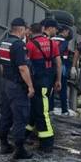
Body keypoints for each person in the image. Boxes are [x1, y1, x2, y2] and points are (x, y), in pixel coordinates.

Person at [0, 18, 35, 160]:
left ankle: (4, 144)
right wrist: (30, 86)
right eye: (26, 29)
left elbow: (1, 65)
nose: (27, 32)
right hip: (17, 86)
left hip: (6, 83)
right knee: (21, 117)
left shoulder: (4, 43)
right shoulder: (19, 45)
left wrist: (6, 78)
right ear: (21, 29)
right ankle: (19, 150)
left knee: (6, 115)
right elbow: (23, 68)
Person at [25, 19, 61, 152]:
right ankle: (24, 134)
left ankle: (47, 143)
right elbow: (58, 63)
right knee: (35, 110)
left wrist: (28, 85)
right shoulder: (53, 43)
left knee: (42, 112)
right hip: (48, 82)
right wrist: (58, 80)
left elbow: (26, 66)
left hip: (37, 82)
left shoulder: (30, 45)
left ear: (32, 32)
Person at [51, 26, 74, 116]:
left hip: (50, 66)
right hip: (62, 66)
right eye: (68, 32)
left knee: (51, 89)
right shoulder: (65, 41)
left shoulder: (51, 39)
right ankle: (64, 110)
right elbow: (60, 51)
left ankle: (50, 108)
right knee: (62, 88)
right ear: (65, 31)